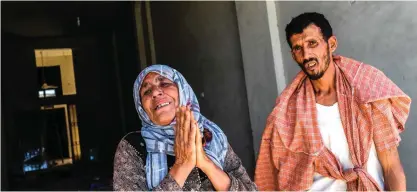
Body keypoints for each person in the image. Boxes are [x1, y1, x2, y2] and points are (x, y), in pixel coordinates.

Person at [255, 12, 411, 191]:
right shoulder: (288, 111)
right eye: (298, 48)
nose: (306, 55)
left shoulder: (367, 90)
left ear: (331, 44)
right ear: (293, 55)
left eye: (312, 44)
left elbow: (391, 166)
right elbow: (281, 177)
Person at [113, 65, 257, 191]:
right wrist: (182, 165)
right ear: (141, 107)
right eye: (146, 92)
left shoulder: (211, 136)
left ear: (182, 90)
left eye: (164, 83)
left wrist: (206, 163)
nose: (156, 92)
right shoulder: (133, 146)